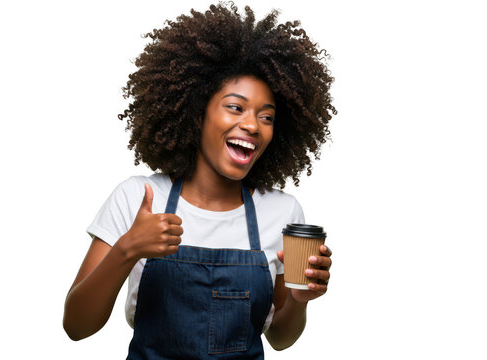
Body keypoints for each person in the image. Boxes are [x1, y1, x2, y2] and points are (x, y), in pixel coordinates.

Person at [63, 2, 337, 359]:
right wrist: (128, 249)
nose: (253, 125)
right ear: (197, 112)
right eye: (235, 107)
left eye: (266, 116)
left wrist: (299, 301)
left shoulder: (282, 211)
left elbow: (280, 338)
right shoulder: (139, 196)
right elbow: (76, 326)